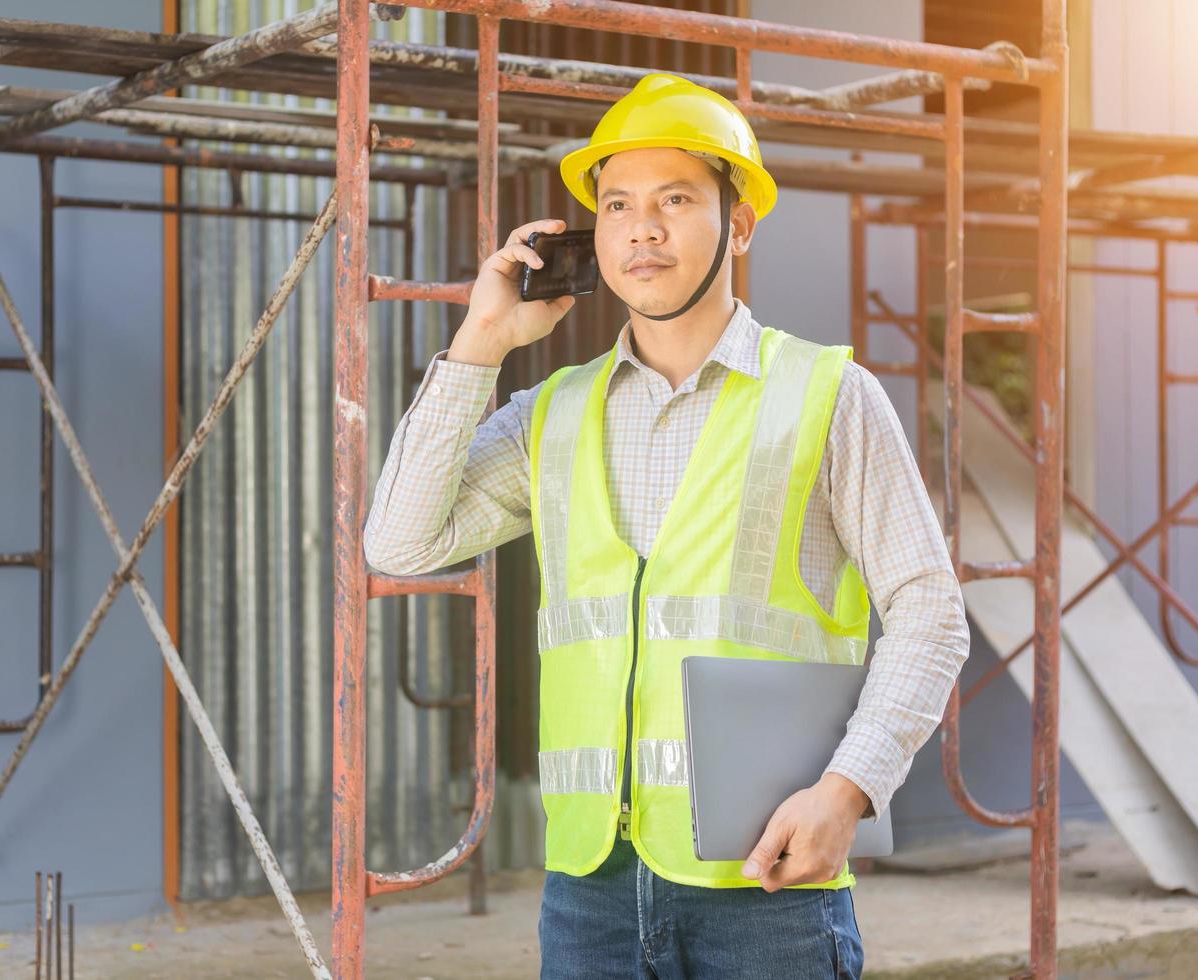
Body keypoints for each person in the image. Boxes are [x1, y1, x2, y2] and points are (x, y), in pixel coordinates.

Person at [363, 72, 969, 980]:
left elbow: (931, 614)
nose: (642, 228)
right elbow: (398, 543)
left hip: (768, 886)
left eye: (675, 199)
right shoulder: (551, 415)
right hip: (591, 891)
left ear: (740, 224)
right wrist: (480, 343)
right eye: (616, 205)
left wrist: (850, 790)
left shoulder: (830, 398)